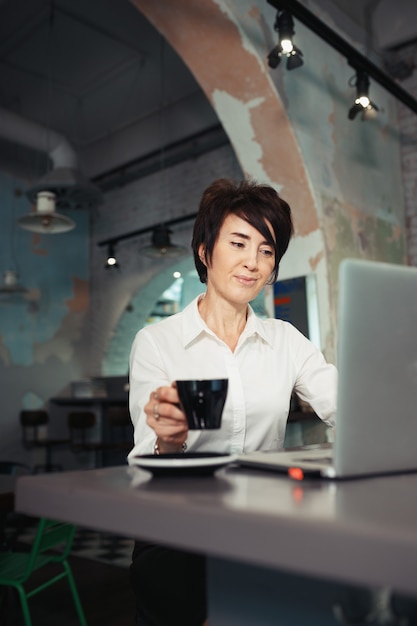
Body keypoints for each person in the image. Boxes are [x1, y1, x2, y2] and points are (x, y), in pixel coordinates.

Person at [128, 178, 337, 626]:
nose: (253, 263)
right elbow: (149, 462)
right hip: (178, 529)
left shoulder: (286, 340)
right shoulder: (158, 342)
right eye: (239, 243)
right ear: (205, 252)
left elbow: (346, 405)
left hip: (265, 523)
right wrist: (170, 441)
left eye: (267, 250)